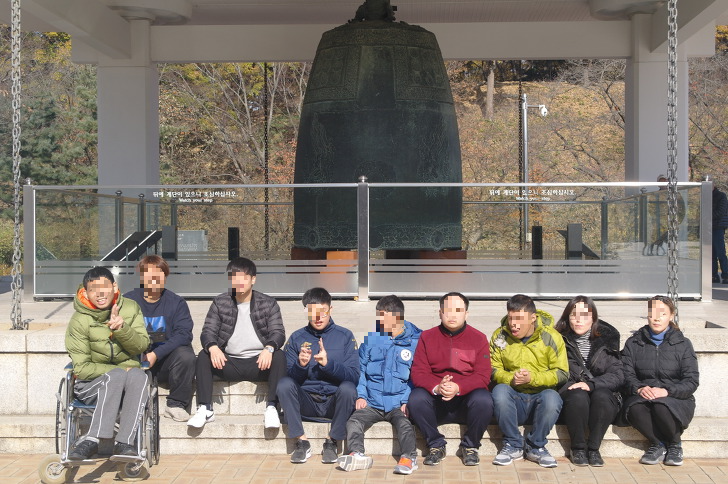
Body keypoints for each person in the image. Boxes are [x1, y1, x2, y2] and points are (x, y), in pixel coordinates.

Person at [187, 257, 286, 430]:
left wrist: (269, 348)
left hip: (259, 362)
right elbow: (208, 331)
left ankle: (272, 407)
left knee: (279, 355)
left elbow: (278, 333)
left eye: (243, 278)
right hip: (229, 361)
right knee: (203, 355)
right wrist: (213, 347)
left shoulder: (268, 303)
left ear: (253, 279)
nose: (238, 282)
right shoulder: (220, 302)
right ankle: (205, 408)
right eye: (234, 277)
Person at [65, 266, 150, 460]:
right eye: (93, 290)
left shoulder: (130, 308)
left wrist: (122, 329)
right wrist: (119, 370)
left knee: (139, 376)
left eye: (104, 287)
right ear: (86, 292)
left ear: (114, 287)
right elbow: (82, 369)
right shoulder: (79, 320)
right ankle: (93, 438)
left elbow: (141, 346)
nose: (100, 294)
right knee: (117, 375)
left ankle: (124, 443)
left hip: (128, 385)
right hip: (91, 386)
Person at [336, 295, 422, 474]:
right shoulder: (372, 340)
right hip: (373, 402)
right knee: (354, 421)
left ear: (396, 316)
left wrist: (406, 400)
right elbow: (361, 371)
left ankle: (409, 458)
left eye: (382, 316)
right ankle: (356, 454)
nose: (379, 321)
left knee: (405, 425)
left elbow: (416, 376)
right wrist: (361, 395)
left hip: (398, 403)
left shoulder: (416, 343)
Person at [408, 292, 494, 467]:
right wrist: (437, 387)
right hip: (436, 401)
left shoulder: (478, 338)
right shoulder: (427, 337)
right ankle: (436, 445)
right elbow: (419, 372)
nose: (452, 315)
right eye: (447, 310)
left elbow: (483, 375)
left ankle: (470, 446)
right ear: (440, 313)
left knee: (484, 399)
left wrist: (458, 387)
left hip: (465, 401)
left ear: (466, 314)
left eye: (458, 310)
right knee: (416, 398)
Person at [277, 287, 359, 464]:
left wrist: (329, 365)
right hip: (307, 403)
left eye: (323, 312)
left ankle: (332, 441)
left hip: (334, 403)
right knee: (283, 384)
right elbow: (288, 379)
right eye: (313, 312)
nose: (318, 317)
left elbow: (354, 376)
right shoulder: (296, 338)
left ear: (331, 309)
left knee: (348, 388)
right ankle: (301, 441)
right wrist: (301, 366)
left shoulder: (345, 336)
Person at [490, 294, 567, 468]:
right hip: (513, 399)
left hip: (540, 399)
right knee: (499, 392)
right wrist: (511, 379)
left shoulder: (551, 337)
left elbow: (562, 373)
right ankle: (513, 444)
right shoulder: (500, 335)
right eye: (511, 318)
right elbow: (493, 368)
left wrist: (533, 378)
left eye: (519, 319)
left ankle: (536, 446)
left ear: (533, 318)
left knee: (552, 397)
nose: (513, 324)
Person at [621, 295, 699, 466]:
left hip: (676, 398)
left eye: (662, 314)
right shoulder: (634, 343)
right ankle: (657, 444)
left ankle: (675, 444)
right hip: (643, 394)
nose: (656, 318)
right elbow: (626, 374)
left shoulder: (683, 344)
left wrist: (666, 391)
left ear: (671, 315)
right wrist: (639, 388)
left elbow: (691, 380)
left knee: (660, 405)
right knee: (634, 408)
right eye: (652, 313)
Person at [124, 255, 196, 422]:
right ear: (142, 277)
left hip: (165, 363)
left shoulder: (176, 303)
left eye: (159, 274)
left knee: (186, 355)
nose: (154, 278)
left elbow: (184, 334)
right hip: (135, 362)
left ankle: (176, 404)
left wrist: (156, 354)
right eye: (149, 274)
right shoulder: (128, 301)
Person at [554, 296, 623, 467]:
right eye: (574, 315)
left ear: (593, 318)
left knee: (602, 396)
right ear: (567, 317)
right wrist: (577, 385)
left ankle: (593, 448)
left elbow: (617, 374)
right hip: (570, 391)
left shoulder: (607, 339)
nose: (579, 320)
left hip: (601, 390)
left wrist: (591, 384)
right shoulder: (558, 339)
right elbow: (557, 371)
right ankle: (577, 448)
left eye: (584, 316)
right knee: (578, 395)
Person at [712, 181, 728, 283]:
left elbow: (721, 211)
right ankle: (714, 275)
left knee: (720, 252)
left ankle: (726, 275)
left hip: (718, 226)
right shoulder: (704, 196)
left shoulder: (721, 196)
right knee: (711, 253)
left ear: (714, 185)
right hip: (708, 227)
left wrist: (707, 216)